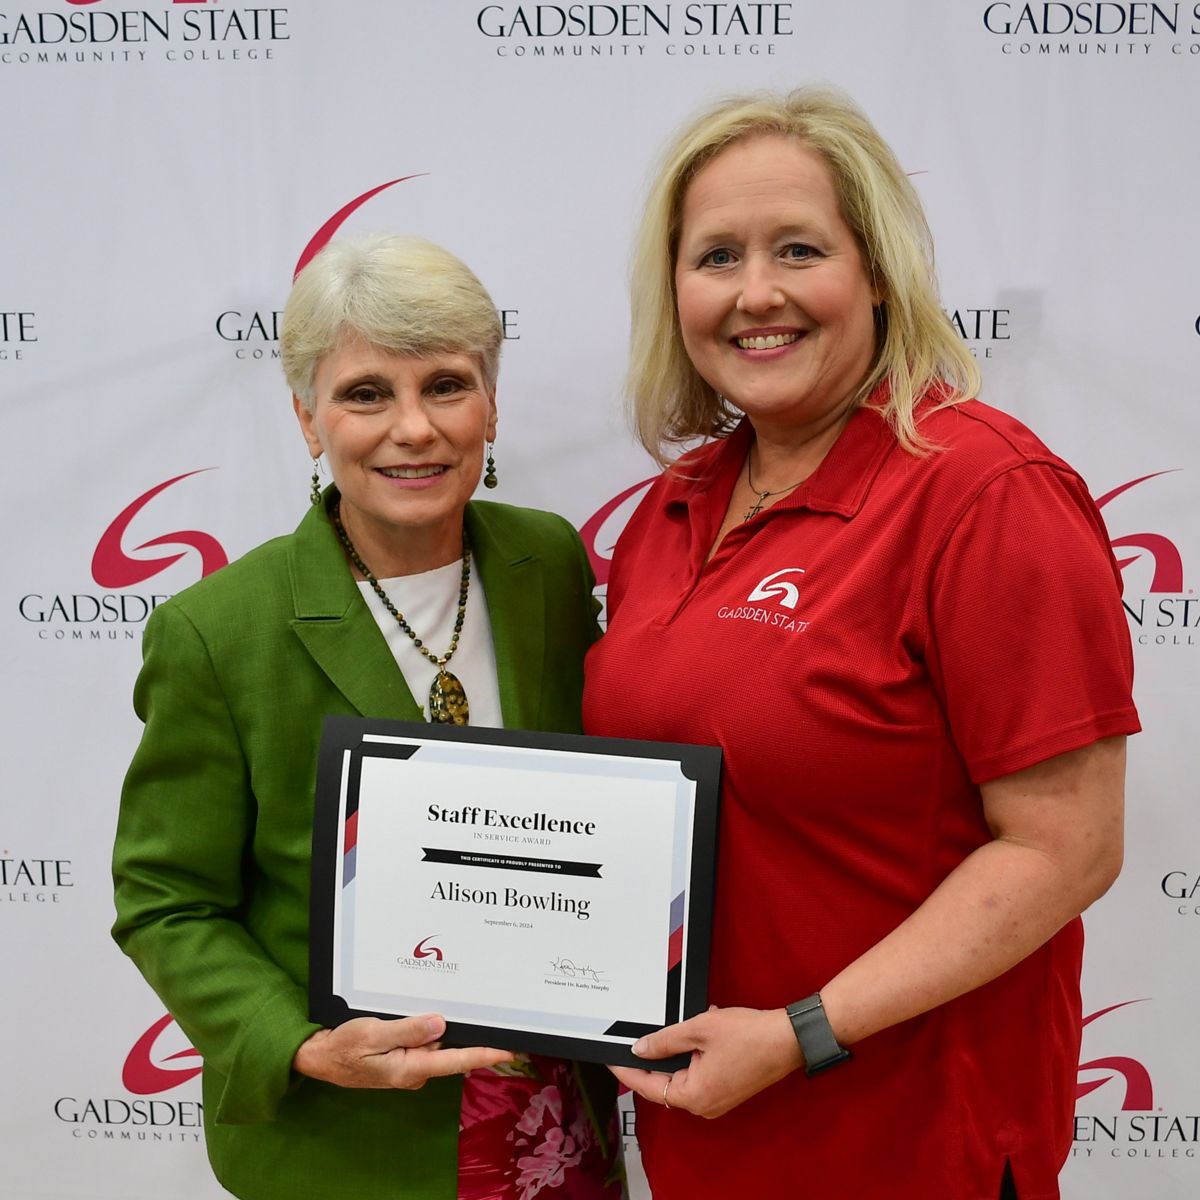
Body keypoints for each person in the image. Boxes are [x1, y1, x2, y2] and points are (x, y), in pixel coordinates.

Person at [583, 88, 1139, 1199]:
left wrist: (800, 1034)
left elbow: (1064, 847)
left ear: (877, 272)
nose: (757, 294)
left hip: (908, 1140)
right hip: (706, 1132)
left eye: (799, 248)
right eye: (716, 257)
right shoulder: (669, 510)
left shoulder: (986, 494)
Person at [112, 234, 620, 1200]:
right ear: (307, 418)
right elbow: (166, 902)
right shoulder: (218, 631)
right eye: (365, 394)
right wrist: (299, 1046)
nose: (414, 428)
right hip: (349, 1144)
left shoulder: (547, 565)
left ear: (493, 404)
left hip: (554, 1121)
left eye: (446, 384)